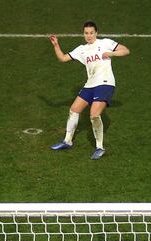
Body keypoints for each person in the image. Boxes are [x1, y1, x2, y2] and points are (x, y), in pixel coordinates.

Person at [48, 21, 130, 160]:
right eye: (86, 33)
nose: (89, 35)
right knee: (74, 110)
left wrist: (110, 53)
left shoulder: (105, 43)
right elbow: (62, 58)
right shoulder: (81, 49)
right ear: (83, 34)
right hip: (90, 84)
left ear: (96, 33)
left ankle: (100, 147)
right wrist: (56, 45)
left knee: (94, 115)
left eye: (91, 33)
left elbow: (126, 50)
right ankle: (67, 141)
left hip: (105, 83)